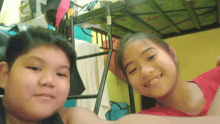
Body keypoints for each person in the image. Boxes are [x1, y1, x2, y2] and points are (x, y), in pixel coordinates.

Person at [0, 27, 219, 124]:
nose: (48, 80)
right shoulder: (157, 116)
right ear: (4, 74)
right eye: (35, 68)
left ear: (172, 53)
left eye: (61, 73)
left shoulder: (71, 117)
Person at [115, 32, 220, 116]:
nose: (145, 71)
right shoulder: (148, 120)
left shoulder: (216, 78)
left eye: (151, 57)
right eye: (133, 70)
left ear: (172, 54)